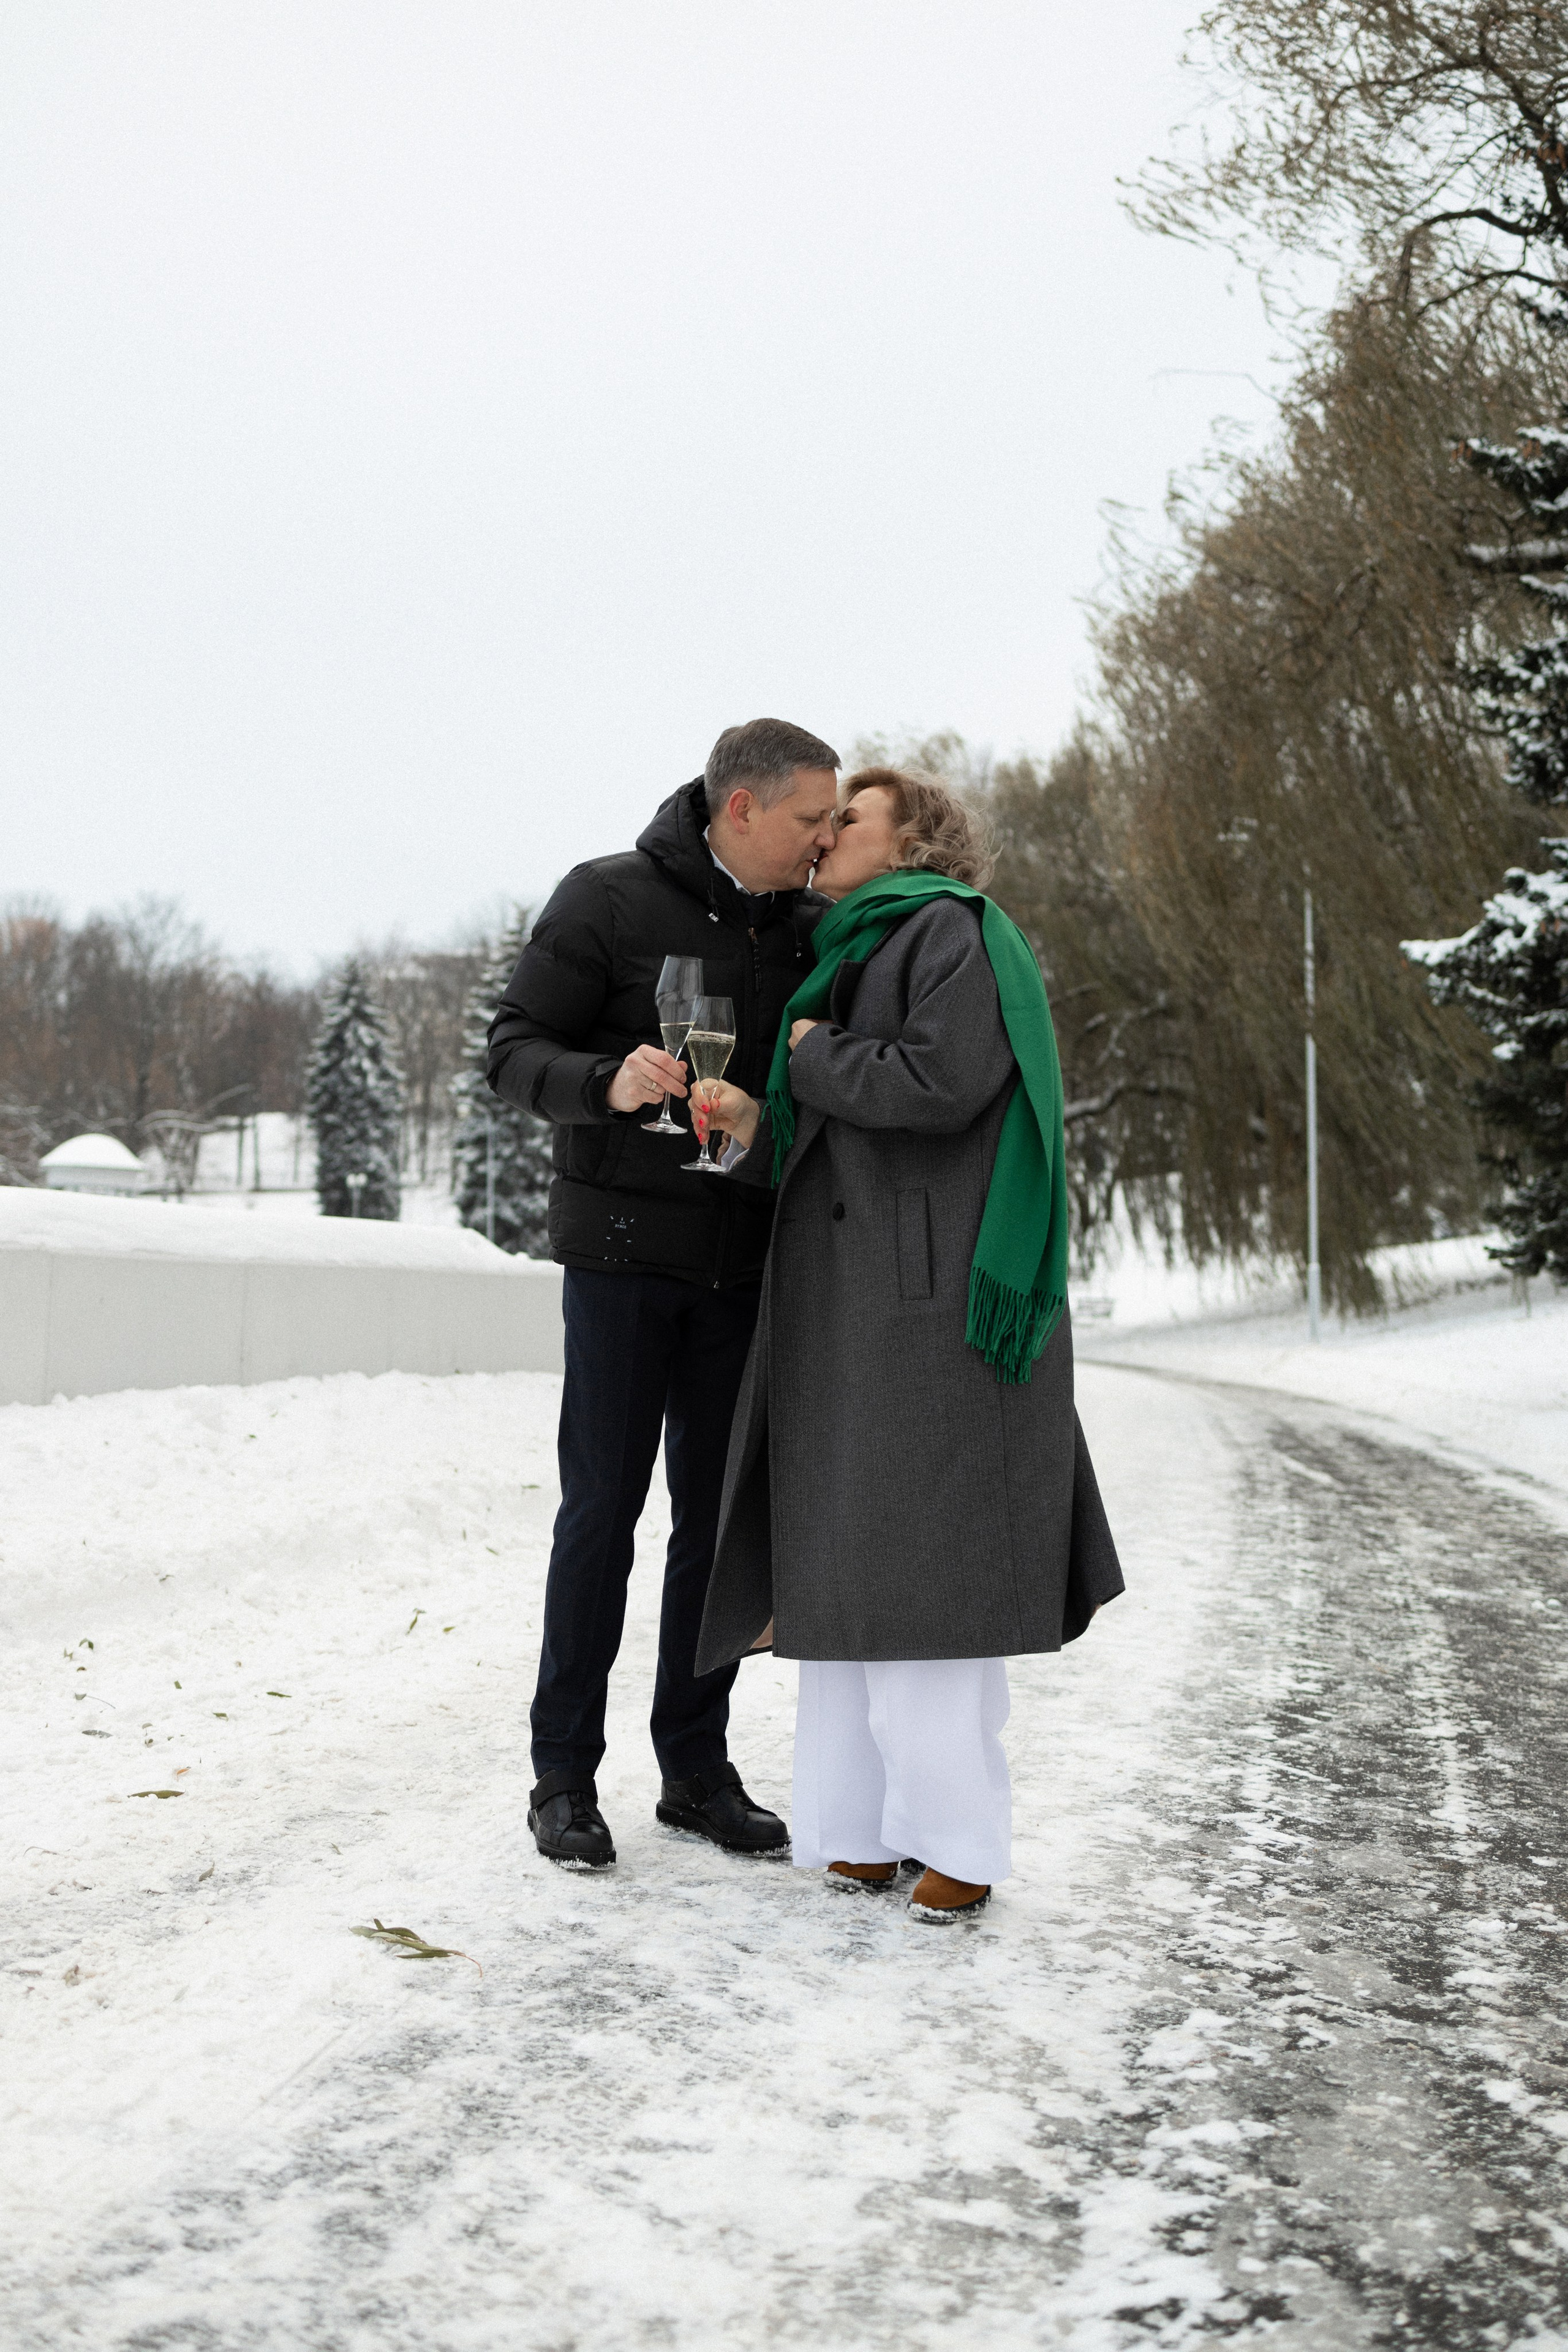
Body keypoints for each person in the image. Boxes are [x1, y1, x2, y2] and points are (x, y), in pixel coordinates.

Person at [690, 767, 1125, 1920]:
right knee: (845, 1574)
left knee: (925, 1578)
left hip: (924, 1316)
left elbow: (943, 1081)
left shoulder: (951, 932)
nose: (828, 833)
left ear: (913, 843)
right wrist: (755, 1122)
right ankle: (860, 1831)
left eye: (852, 818)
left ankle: (958, 1841)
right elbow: (837, 1144)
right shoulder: (854, 947)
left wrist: (808, 1054)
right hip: (854, 1309)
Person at [486, 718, 840, 1869]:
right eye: (811, 819)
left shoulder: (809, 927)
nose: (825, 839)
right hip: (624, 1261)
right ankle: (563, 1779)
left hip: (744, 1269)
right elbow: (511, 1050)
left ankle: (694, 1769)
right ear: (742, 807)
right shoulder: (605, 898)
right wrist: (604, 1080)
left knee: (714, 1530)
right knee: (601, 1515)